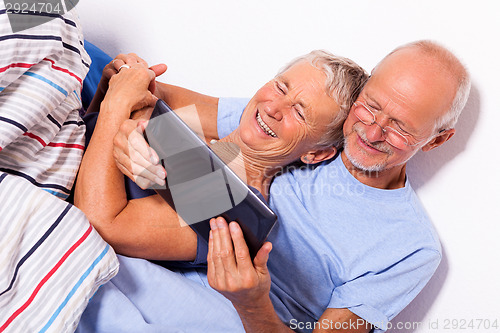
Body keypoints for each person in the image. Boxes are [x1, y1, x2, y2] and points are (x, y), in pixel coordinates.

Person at [94, 40, 470, 333]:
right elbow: (152, 94)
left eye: (400, 127)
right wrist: (134, 121)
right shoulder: (303, 121)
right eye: (370, 106)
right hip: (170, 255)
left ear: (436, 140)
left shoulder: (411, 247)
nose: (371, 133)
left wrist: (252, 303)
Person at [73, 50, 368, 264]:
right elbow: (95, 134)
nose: (273, 108)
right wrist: (112, 84)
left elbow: (104, 222)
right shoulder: (195, 132)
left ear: (315, 154)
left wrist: (117, 102)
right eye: (280, 87)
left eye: (300, 112)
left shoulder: (234, 208)